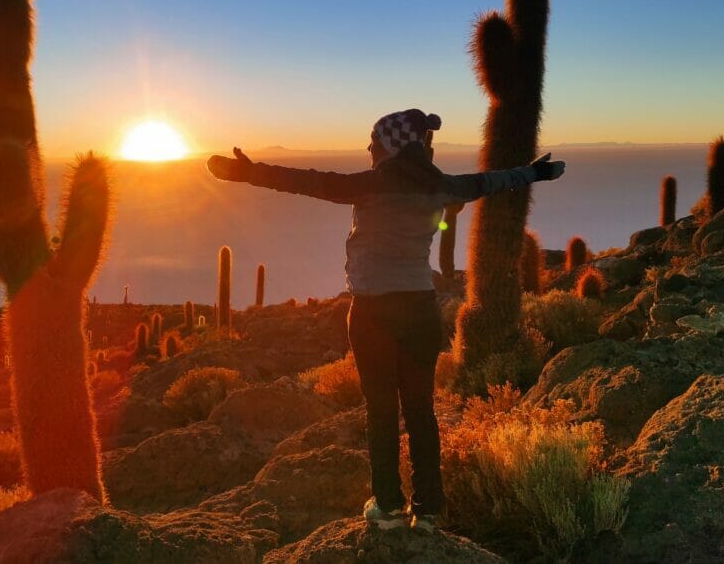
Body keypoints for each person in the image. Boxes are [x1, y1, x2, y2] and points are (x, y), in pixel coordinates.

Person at [206, 108, 565, 532]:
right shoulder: (443, 187)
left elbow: (304, 181)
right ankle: (430, 509)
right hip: (420, 310)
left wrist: (248, 173)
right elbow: (492, 181)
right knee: (420, 411)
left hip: (373, 314)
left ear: (391, 145)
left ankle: (390, 507)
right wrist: (533, 174)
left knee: (381, 411)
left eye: (374, 143)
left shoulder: (368, 185)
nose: (370, 150)